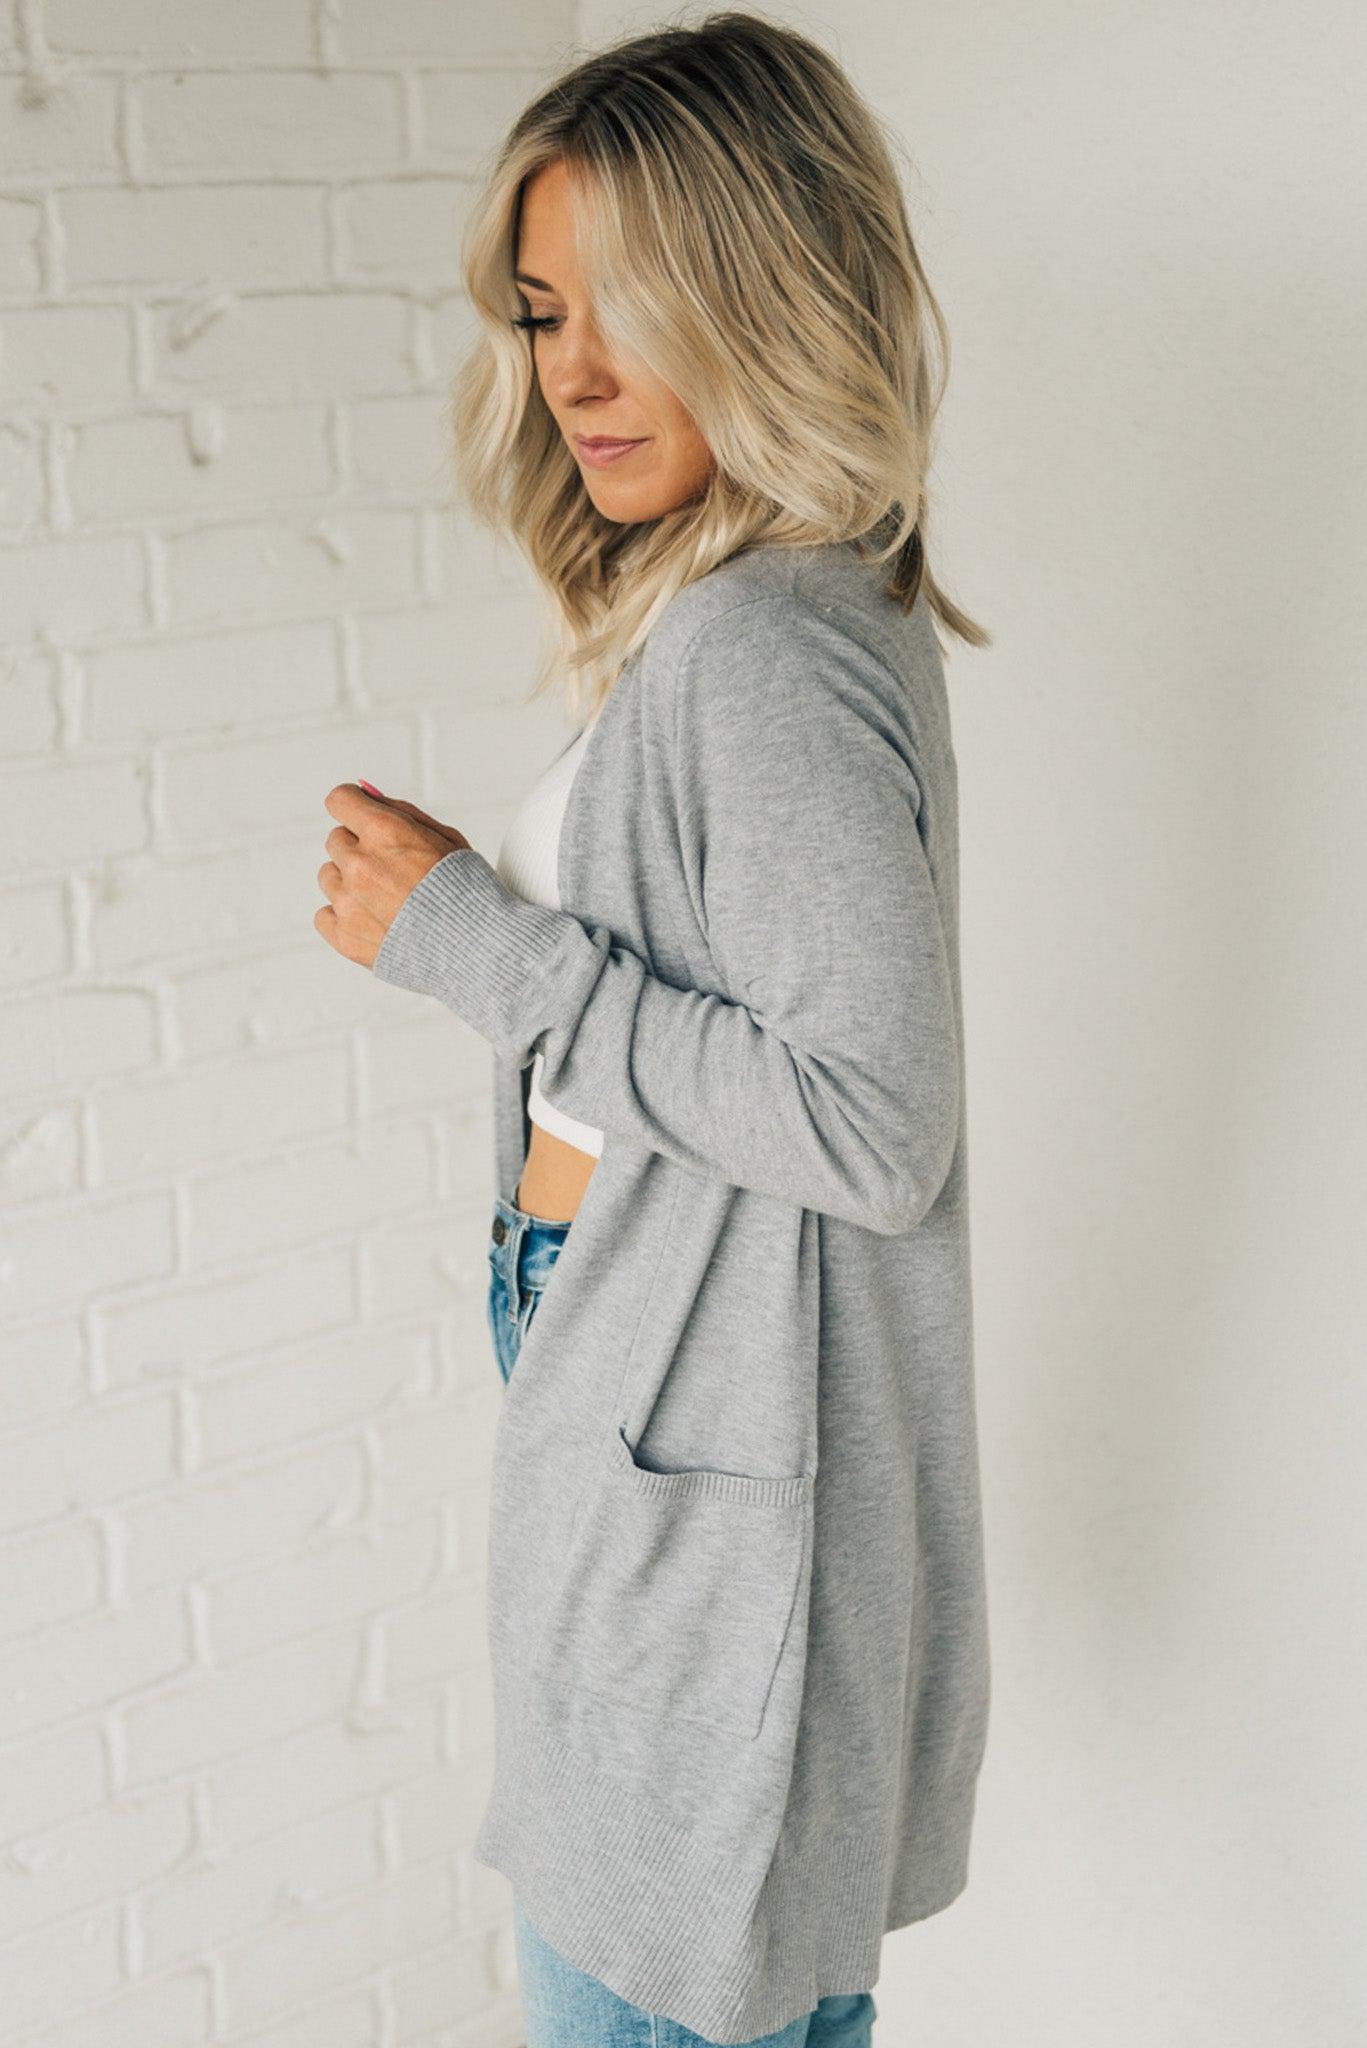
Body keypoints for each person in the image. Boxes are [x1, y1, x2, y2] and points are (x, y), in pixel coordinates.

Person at [316, 12, 993, 2044]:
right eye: (543, 315)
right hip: (655, 1389)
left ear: (771, 292)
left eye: (630, 305)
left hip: (697, 1435)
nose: (573, 373)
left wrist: (471, 944)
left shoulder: (762, 643)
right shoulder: (773, 597)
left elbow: (872, 1123)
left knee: (654, 1974)